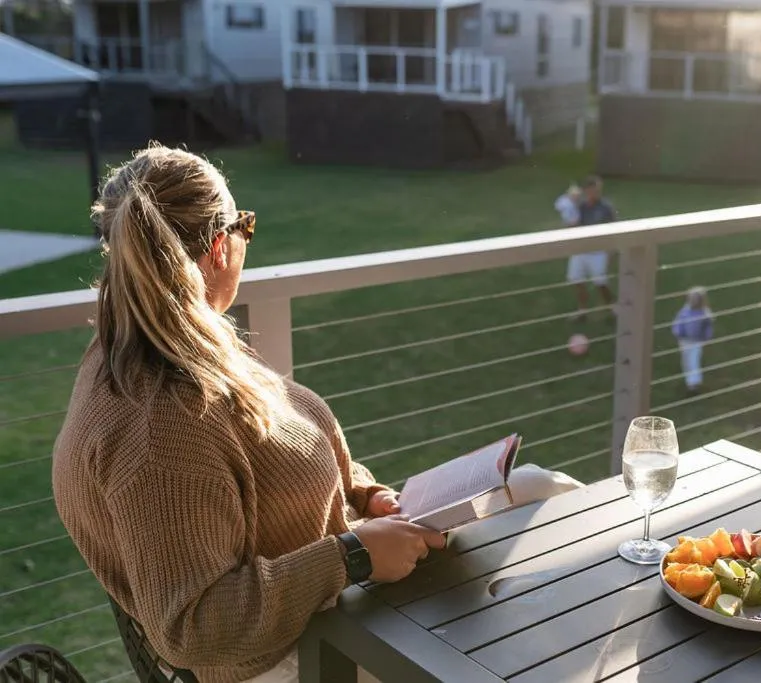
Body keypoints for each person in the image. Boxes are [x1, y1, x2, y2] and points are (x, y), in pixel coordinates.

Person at [51, 145, 582, 683]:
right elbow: (193, 625)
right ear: (218, 248)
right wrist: (350, 557)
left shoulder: (177, 342)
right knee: (522, 628)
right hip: (288, 656)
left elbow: (278, 451)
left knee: (544, 489)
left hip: (341, 588)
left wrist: (363, 493)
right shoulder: (157, 425)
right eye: (245, 225)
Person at [566, 176, 617, 320]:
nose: (595, 193)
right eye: (592, 190)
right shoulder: (580, 206)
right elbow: (573, 226)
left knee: (601, 283)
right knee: (576, 280)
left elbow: (615, 230)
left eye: (598, 190)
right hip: (581, 249)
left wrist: (611, 253)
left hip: (598, 251)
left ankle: (612, 308)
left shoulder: (606, 208)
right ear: (586, 191)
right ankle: (582, 311)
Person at [671, 287, 714, 392]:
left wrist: (706, 336)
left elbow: (708, 326)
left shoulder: (704, 313)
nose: (693, 301)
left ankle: (694, 383)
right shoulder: (685, 311)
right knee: (686, 360)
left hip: (696, 341)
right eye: (691, 298)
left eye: (696, 299)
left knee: (693, 359)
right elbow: (679, 322)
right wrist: (678, 332)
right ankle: (689, 380)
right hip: (684, 339)